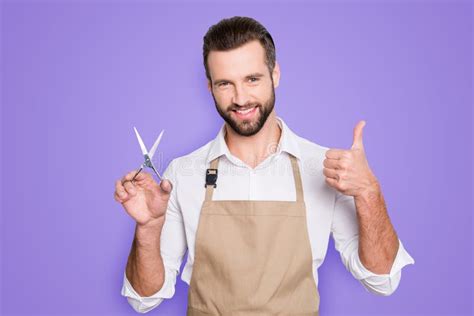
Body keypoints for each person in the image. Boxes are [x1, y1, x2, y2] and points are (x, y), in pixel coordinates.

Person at [114, 16, 415, 315]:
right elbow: (144, 299)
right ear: (209, 88)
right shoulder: (182, 174)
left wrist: (368, 192)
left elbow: (382, 279)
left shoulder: (324, 168)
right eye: (225, 84)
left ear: (276, 74)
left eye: (252, 79)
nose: (240, 98)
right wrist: (149, 227)